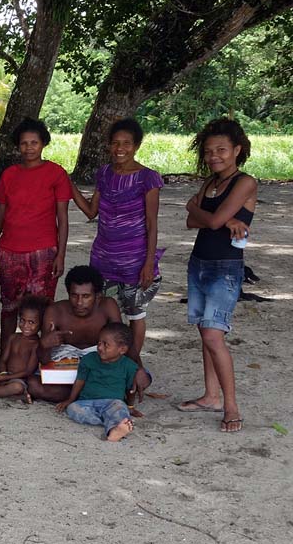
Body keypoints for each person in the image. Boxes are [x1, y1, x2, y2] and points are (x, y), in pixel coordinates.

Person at [70, 118, 163, 385]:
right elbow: (90, 211)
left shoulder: (148, 178)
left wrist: (148, 263)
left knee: (136, 315)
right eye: (115, 143)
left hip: (135, 259)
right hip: (103, 257)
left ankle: (133, 365)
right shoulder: (104, 174)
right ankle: (110, 364)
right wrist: (67, 184)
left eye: (126, 144)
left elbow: (152, 225)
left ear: (136, 146)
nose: (120, 148)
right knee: (107, 314)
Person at [179, 119, 257, 433]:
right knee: (204, 333)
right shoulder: (210, 183)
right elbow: (190, 222)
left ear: (237, 150)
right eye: (209, 151)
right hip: (199, 263)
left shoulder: (245, 182)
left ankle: (231, 407)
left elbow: (208, 221)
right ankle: (211, 396)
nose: (214, 156)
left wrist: (206, 215)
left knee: (214, 335)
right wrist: (215, 218)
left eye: (221, 150)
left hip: (225, 268)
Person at [0, 118, 70, 357]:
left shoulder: (56, 173)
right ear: (18, 146)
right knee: (10, 307)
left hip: (44, 252)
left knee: (41, 308)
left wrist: (60, 254)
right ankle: (5, 357)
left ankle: (40, 359)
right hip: (9, 251)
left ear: (43, 144)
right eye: (24, 143)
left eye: (34, 142)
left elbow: (62, 218)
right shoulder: (10, 174)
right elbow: (1, 213)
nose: (29, 147)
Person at [26, 265, 153, 405]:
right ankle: (98, 393)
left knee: (144, 378)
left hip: (102, 365)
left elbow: (122, 342)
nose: (79, 303)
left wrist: (139, 368)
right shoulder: (55, 312)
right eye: (74, 295)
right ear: (68, 293)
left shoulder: (108, 306)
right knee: (33, 384)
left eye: (86, 296)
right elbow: (44, 360)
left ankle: (83, 393)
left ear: (98, 296)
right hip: (65, 367)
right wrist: (44, 345)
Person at [55, 323, 138, 442]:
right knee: (73, 409)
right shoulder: (89, 359)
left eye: (106, 345)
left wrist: (130, 406)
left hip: (113, 402)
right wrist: (70, 399)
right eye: (99, 343)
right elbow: (80, 380)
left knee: (120, 408)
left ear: (122, 349)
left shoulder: (129, 366)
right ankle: (108, 421)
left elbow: (132, 389)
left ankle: (115, 430)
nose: (100, 347)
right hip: (87, 402)